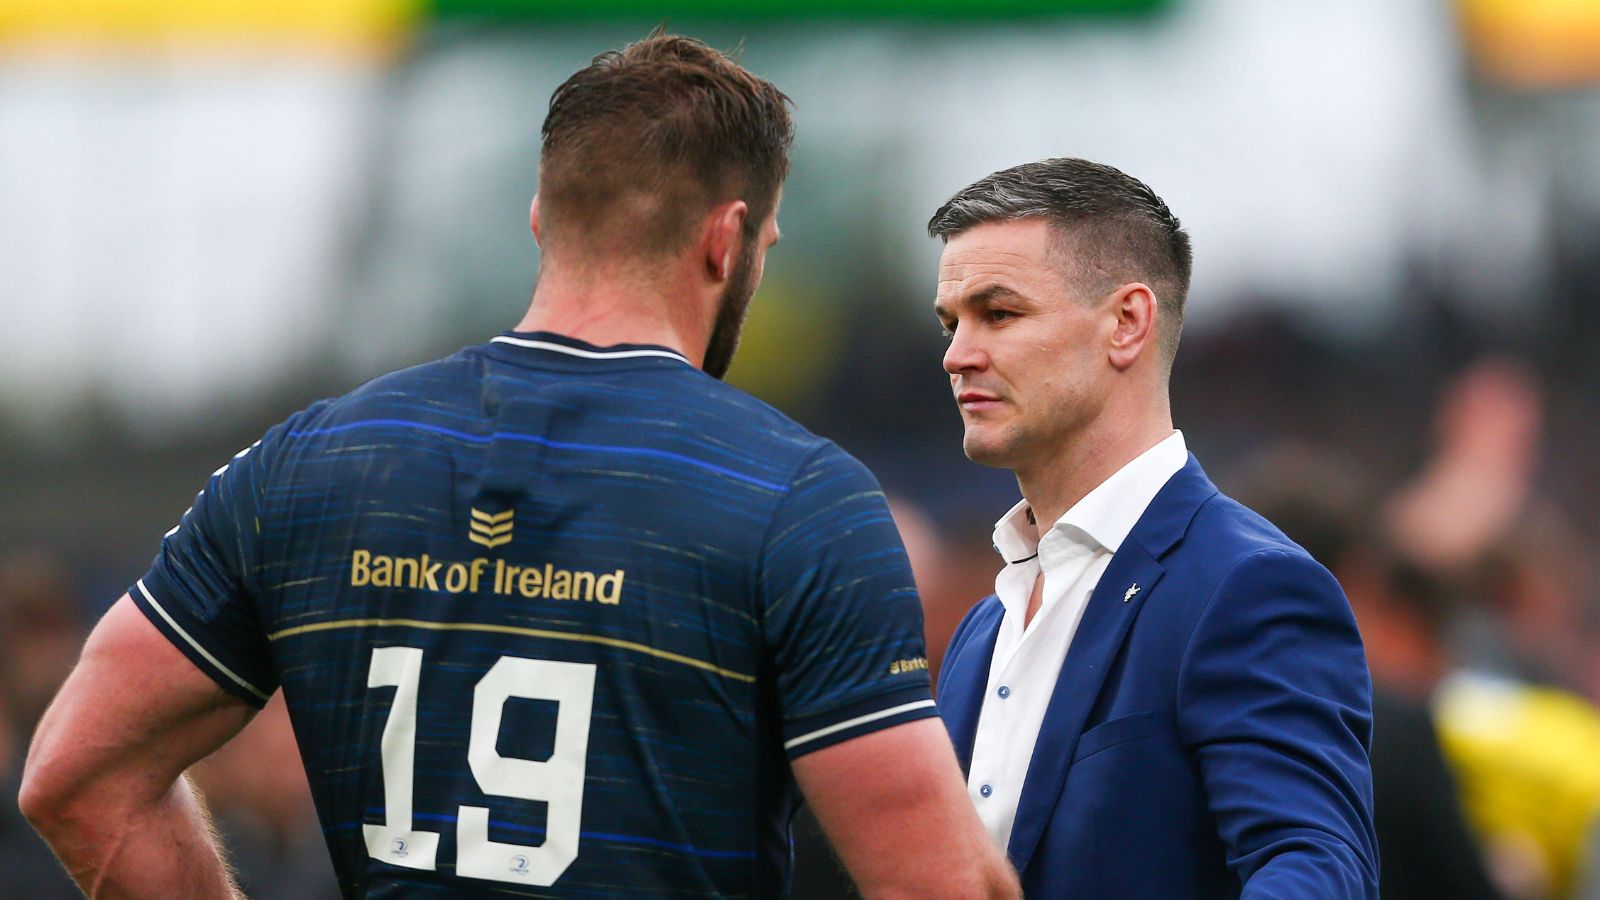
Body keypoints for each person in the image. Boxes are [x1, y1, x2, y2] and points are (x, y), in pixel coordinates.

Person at [19, 33, 1018, 899]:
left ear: (541, 217)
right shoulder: (800, 499)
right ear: (727, 240)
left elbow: (76, 777)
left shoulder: (305, 463)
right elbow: (937, 883)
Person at [928, 157, 1379, 897]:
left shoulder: (1248, 587)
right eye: (951, 323)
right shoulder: (983, 629)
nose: (957, 355)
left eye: (999, 314)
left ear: (1127, 323)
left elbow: (1316, 867)